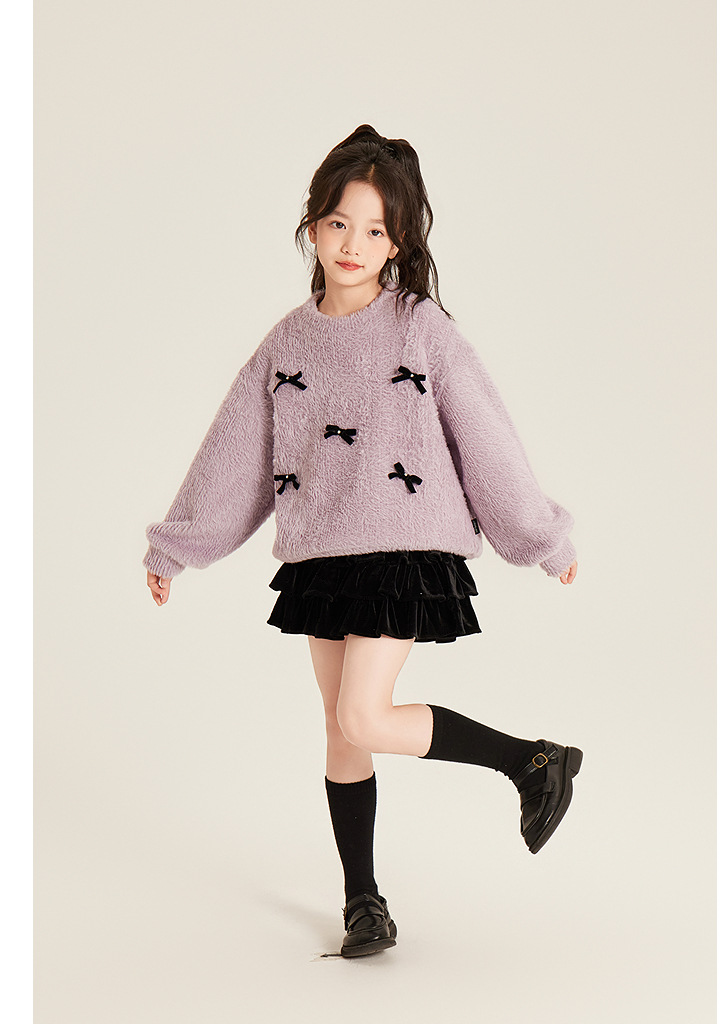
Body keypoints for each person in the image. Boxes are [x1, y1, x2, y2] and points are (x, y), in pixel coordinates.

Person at [143, 124, 582, 959]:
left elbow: (485, 435)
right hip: (323, 556)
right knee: (343, 732)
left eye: (375, 230)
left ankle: (530, 761)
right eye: (340, 223)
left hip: (404, 548)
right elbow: (236, 454)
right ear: (312, 224)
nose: (353, 244)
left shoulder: (419, 326)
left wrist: (540, 536)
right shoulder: (287, 341)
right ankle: (364, 904)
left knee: (362, 713)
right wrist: (178, 547)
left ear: (399, 242)